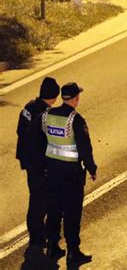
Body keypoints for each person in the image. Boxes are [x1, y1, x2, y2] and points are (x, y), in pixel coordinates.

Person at [30, 82, 97, 266]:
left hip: (51, 173)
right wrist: (92, 168)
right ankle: (73, 253)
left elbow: (34, 137)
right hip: (71, 176)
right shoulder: (76, 120)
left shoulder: (46, 116)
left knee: (54, 211)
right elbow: (85, 149)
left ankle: (52, 247)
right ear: (75, 99)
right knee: (72, 214)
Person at [16, 77, 61, 256]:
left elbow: (20, 131)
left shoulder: (28, 107)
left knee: (35, 195)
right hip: (40, 162)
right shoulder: (48, 114)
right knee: (42, 198)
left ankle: (36, 232)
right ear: (55, 96)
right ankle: (38, 236)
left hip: (27, 159)